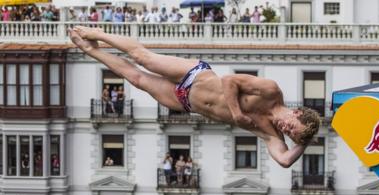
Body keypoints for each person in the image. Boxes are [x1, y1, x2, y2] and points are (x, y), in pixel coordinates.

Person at [69, 27, 320, 168]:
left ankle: (90, 50)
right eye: (291, 126)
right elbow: (229, 81)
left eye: (290, 134)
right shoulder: (271, 91)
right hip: (195, 76)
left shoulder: (270, 134)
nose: (285, 129)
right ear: (297, 112)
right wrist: (236, 113)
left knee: (137, 79)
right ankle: (98, 33)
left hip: (186, 102)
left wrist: (305, 141)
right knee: (142, 58)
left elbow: (285, 160)